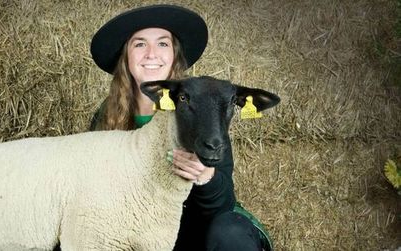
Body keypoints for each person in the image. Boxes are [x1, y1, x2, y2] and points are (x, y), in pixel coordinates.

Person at [88, 4, 273, 251]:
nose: (151, 54)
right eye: (140, 44)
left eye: (163, 44)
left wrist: (205, 176)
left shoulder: (204, 107)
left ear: (174, 53)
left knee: (229, 232)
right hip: (139, 228)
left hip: (194, 228)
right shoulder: (106, 117)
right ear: (126, 56)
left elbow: (222, 205)